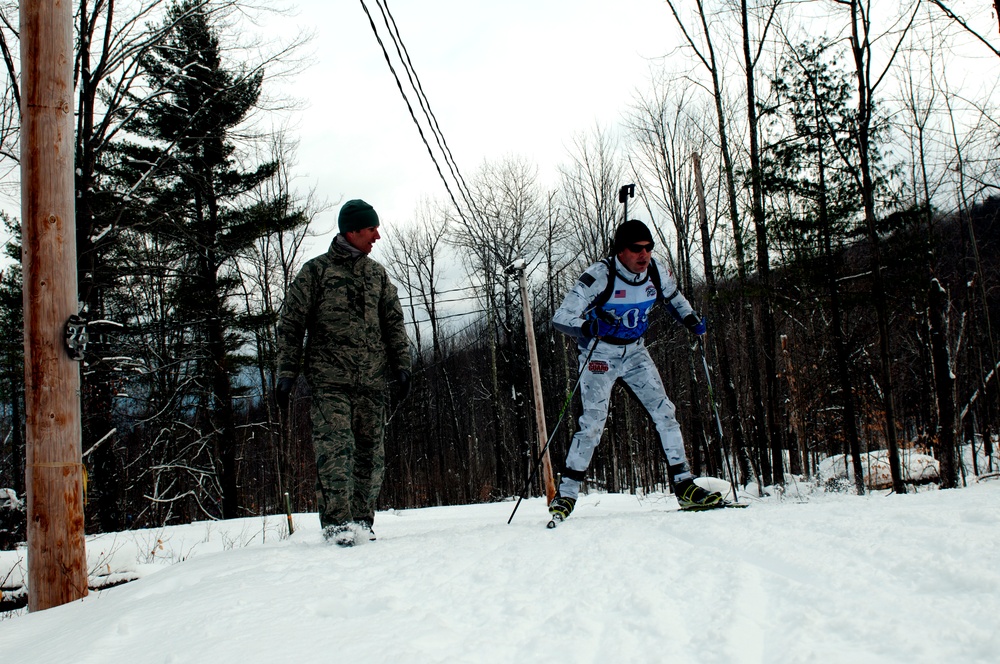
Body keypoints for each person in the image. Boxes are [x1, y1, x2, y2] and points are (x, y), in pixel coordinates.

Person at [549, 219, 722, 520]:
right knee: (592, 423)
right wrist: (588, 327)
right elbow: (561, 317)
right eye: (636, 249)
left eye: (648, 248)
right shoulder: (600, 276)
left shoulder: (655, 270)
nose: (644, 255)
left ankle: (684, 485)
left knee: (665, 411)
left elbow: (673, 296)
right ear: (620, 251)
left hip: (636, 352)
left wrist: (690, 318)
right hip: (600, 354)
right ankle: (566, 495)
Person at [275, 199, 412, 546]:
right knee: (336, 455)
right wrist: (286, 373)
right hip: (330, 384)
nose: (377, 236)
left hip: (372, 382)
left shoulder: (376, 274)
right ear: (351, 231)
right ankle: (337, 527)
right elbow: (291, 324)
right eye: (371, 229)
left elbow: (394, 323)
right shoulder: (316, 272)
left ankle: (363, 524)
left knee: (370, 457)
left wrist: (402, 367)